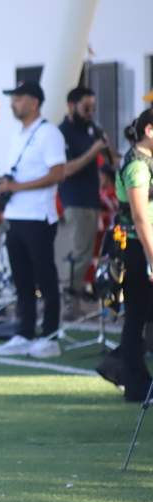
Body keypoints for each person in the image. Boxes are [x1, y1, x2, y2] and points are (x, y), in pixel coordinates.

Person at [0, 81, 66, 358]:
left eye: (19, 98)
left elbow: (58, 173)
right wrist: (4, 185)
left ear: (34, 102)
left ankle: (50, 335)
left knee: (45, 279)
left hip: (38, 216)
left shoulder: (49, 133)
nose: (13, 103)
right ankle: (24, 333)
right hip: (16, 216)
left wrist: (16, 187)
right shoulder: (19, 134)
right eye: (13, 98)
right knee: (22, 280)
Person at [109, 108, 153, 402]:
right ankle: (135, 384)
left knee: (140, 316)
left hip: (143, 247)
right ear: (149, 131)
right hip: (138, 248)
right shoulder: (137, 166)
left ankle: (136, 379)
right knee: (136, 316)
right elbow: (139, 216)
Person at [56, 87, 109, 318]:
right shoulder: (63, 133)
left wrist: (104, 151)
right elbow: (66, 169)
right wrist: (93, 151)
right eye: (86, 107)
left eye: (93, 108)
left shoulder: (90, 130)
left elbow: (106, 159)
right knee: (78, 253)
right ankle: (69, 302)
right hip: (75, 201)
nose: (90, 112)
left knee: (86, 253)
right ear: (71, 105)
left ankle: (74, 300)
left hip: (91, 199)